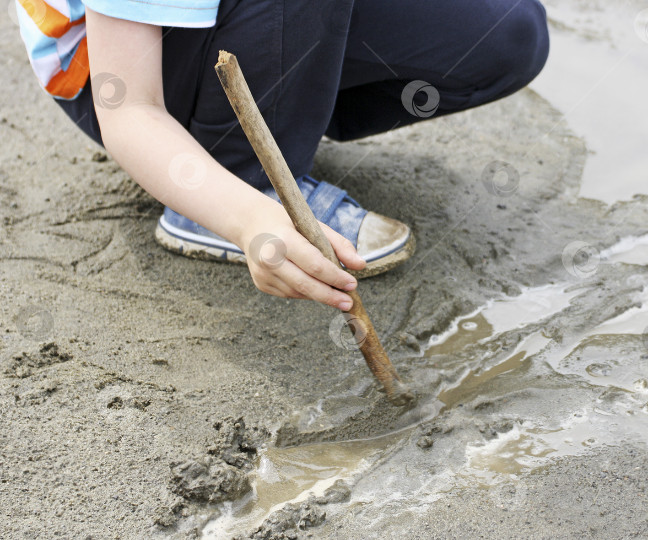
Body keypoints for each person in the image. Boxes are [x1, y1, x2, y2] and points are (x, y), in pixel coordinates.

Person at [15, 0, 549, 312]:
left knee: (510, 33)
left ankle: (288, 107)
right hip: (116, 74)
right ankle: (236, 175)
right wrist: (249, 222)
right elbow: (129, 109)